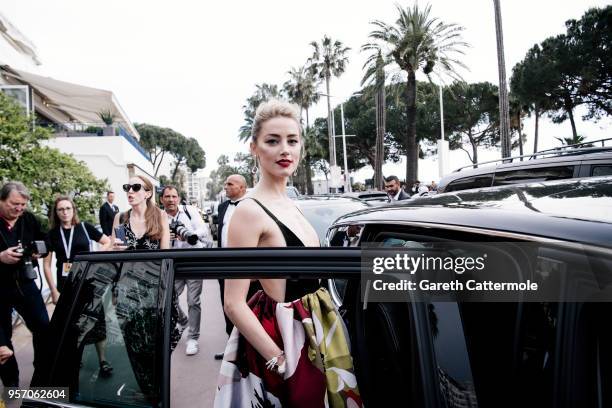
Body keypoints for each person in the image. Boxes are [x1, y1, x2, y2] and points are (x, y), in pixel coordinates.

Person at [214, 100, 362, 407]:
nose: (285, 150)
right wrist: (279, 359)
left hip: (317, 333)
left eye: (292, 141)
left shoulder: (292, 206)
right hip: (287, 340)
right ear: (254, 148)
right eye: (273, 141)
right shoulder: (249, 212)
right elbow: (233, 302)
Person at [111, 176, 183, 351]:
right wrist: (115, 249)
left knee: (159, 344)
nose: (130, 191)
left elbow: (165, 255)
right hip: (128, 288)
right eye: (127, 187)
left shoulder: (160, 216)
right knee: (133, 343)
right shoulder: (120, 218)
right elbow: (114, 256)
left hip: (154, 286)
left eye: (135, 187)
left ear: (148, 193)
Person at [0, 182, 49, 387]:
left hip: (26, 282)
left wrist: (41, 251)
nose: (19, 209)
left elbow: (45, 240)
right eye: (14, 204)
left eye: (23, 205)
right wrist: (0, 256)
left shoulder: (27, 218)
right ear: (1, 200)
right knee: (3, 341)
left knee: (45, 330)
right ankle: (11, 384)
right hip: (0, 288)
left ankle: (43, 374)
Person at [160, 185, 212, 356]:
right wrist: (168, 235)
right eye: (167, 197)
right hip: (174, 262)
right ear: (162, 200)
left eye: (174, 196)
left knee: (193, 301)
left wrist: (189, 234)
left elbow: (203, 229)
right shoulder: (160, 217)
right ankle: (183, 321)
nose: (171, 200)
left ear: (179, 199)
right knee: (168, 296)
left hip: (194, 259)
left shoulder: (189, 211)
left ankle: (193, 338)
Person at [44, 196, 111, 301]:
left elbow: (107, 242)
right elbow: (46, 266)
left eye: (68, 208)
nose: (65, 212)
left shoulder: (85, 227)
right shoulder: (51, 234)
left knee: (91, 312)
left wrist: (93, 258)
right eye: (60, 209)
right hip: (64, 282)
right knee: (68, 314)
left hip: (86, 278)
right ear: (56, 212)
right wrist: (53, 291)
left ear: (73, 210)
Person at [216, 175, 249, 340]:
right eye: (225, 183)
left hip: (245, 265)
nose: (226, 186)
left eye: (230, 184)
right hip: (224, 264)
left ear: (242, 187)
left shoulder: (252, 207)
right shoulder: (222, 207)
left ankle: (248, 349)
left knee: (246, 306)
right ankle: (231, 345)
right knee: (226, 305)